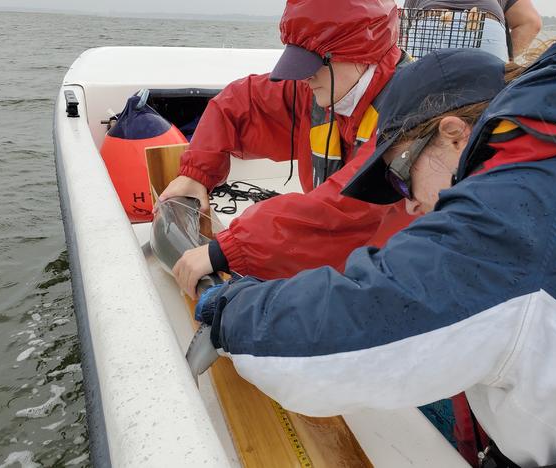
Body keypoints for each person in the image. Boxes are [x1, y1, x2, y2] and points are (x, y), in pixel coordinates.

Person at [194, 10, 556, 467]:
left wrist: (231, 308)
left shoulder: (513, 215)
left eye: (401, 176)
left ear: (452, 135)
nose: (408, 205)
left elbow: (350, 329)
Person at [159, 0, 415, 299]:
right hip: (334, 272)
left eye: (312, 64)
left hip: (396, 282)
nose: (305, 77)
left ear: (361, 53)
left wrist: (229, 249)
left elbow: (346, 208)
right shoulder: (327, 89)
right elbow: (240, 105)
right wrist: (197, 172)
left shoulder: (411, 114)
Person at [402, 0, 542, 61]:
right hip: (485, 24)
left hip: (431, 23)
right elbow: (531, 22)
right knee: (487, 109)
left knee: (420, 108)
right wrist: (505, 59)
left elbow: (406, 21)